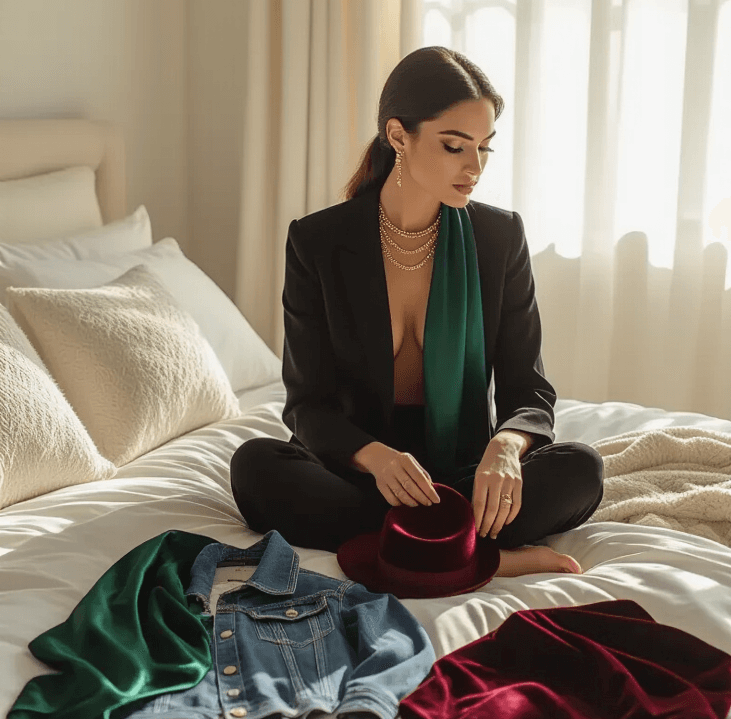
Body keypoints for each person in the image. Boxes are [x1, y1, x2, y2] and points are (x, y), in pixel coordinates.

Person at [230, 46, 603, 577]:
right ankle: (480, 552)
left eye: (484, 149)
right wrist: (376, 457)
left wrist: (505, 446)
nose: (474, 167)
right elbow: (308, 405)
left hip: (463, 472)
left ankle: (405, 540)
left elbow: (529, 390)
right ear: (398, 135)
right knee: (255, 467)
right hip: (359, 471)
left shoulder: (499, 238)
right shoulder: (319, 242)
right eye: (454, 146)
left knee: (581, 469)